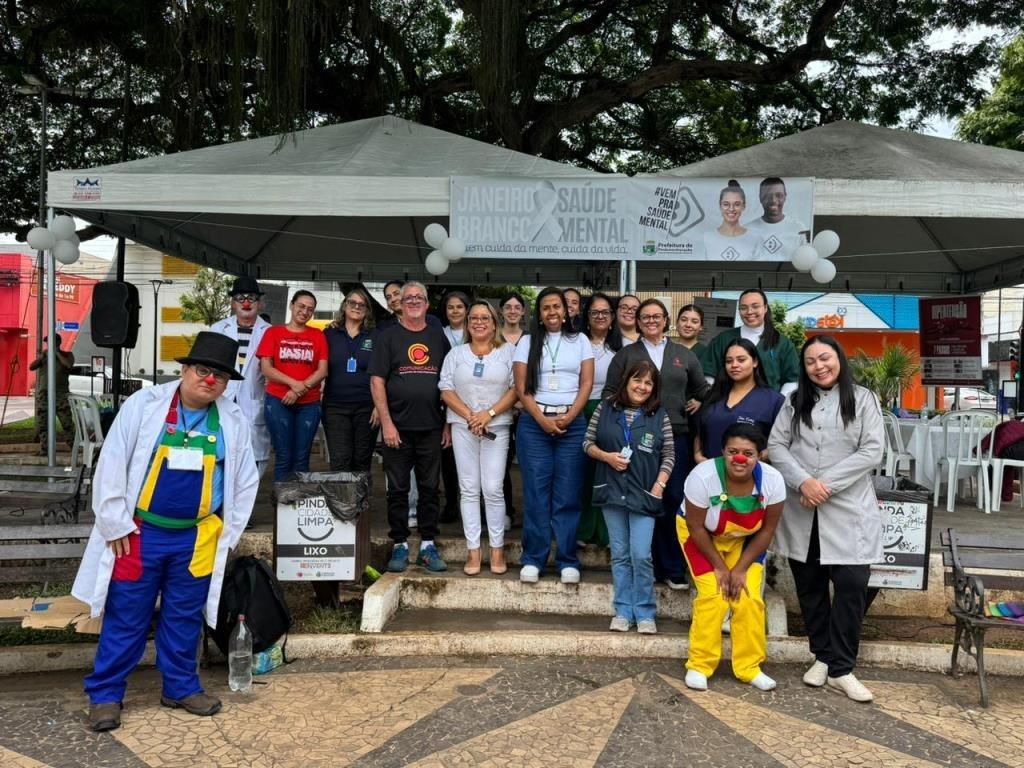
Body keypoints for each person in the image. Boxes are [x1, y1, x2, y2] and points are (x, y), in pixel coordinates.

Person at [73, 332, 259, 732]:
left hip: (196, 538)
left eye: (220, 377)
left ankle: (180, 686)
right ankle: (105, 695)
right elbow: (112, 463)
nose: (210, 381)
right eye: (204, 371)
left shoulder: (233, 419)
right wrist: (114, 522)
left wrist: (227, 533)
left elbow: (246, 482)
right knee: (126, 615)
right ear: (186, 369)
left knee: (184, 616)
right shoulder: (145, 405)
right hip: (138, 535)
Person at [768, 334, 885, 703]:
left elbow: (872, 451)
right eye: (811, 362)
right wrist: (804, 481)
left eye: (825, 358)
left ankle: (842, 667)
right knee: (811, 587)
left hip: (848, 508)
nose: (819, 366)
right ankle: (822, 656)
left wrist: (824, 485)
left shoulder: (863, 399)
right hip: (803, 509)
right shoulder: (794, 401)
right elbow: (776, 446)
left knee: (852, 584)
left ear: (839, 358)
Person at [604, 298, 707, 591]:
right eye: (645, 317)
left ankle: (672, 567)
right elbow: (611, 393)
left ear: (666, 321)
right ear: (637, 321)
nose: (651, 321)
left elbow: (703, 389)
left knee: (673, 499)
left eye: (657, 316)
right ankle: (644, 565)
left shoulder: (682, 355)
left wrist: (698, 400)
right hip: (634, 440)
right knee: (640, 501)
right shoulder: (626, 355)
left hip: (677, 435)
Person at [680, 423, 785, 691]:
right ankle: (699, 665)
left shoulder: (773, 481)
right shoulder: (702, 477)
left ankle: (749, 667)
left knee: (748, 597)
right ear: (723, 452)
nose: (740, 459)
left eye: (748, 453)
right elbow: (695, 526)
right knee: (714, 596)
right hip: (700, 537)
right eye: (733, 451)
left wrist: (739, 569)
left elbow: (768, 530)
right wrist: (718, 566)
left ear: (759, 455)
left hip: (745, 541)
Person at [584, 360, 674, 634]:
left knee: (641, 555)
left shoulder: (660, 414)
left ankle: (645, 613)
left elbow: (669, 454)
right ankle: (623, 610)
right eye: (638, 380)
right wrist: (606, 457)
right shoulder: (605, 407)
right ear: (626, 381)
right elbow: (587, 443)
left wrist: (659, 485)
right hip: (612, 492)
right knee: (620, 555)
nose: (642, 387)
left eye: (648, 383)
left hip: (644, 494)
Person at [513, 286, 594, 584]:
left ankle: (567, 559)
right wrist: (542, 420)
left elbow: (586, 383)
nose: (552, 312)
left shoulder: (581, 340)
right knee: (535, 493)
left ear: (567, 310)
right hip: (535, 425)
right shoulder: (527, 341)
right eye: (545, 307)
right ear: (539, 313)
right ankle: (533, 558)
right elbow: (521, 388)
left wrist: (571, 416)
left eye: (556, 306)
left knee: (568, 494)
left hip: (572, 424)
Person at [370, 281, 451, 573]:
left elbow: (449, 382)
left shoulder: (438, 336)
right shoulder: (388, 338)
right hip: (397, 429)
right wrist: (387, 424)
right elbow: (377, 381)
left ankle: (428, 544)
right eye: (408, 298)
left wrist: (447, 424)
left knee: (430, 488)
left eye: (419, 297)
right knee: (398, 490)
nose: (414, 301)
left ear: (427, 304)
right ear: (400, 305)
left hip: (431, 427)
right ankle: (400, 544)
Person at [439, 300, 518, 575]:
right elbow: (445, 389)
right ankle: (473, 550)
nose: (479, 322)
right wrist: (471, 415)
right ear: (468, 323)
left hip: (498, 426)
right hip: (463, 427)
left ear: (494, 323)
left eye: (485, 318)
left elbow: (516, 388)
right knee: (469, 488)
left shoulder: (508, 352)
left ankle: (497, 548)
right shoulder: (456, 354)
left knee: (493, 488)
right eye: (474, 318)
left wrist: (490, 413)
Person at [256, 290, 329, 482]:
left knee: (302, 458)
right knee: (283, 457)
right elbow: (266, 367)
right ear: (292, 305)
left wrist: (300, 389)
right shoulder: (273, 332)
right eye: (301, 306)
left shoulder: (318, 335)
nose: (305, 312)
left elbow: (323, 371)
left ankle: (298, 508)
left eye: (310, 309)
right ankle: (281, 508)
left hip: (309, 404)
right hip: (278, 401)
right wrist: (294, 385)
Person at [210, 277, 272, 476]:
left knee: (253, 465)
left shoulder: (270, 332)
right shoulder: (218, 329)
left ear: (259, 303)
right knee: (220, 458)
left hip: (254, 404)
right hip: (222, 401)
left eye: (251, 298)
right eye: (240, 298)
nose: (246, 303)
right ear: (233, 303)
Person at [578, 292, 622, 547]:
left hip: (610, 411)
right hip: (580, 409)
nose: (600, 317)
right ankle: (583, 531)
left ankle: (605, 533)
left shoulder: (622, 347)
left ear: (612, 317)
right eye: (595, 312)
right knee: (583, 475)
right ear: (587, 317)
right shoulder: (577, 343)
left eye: (605, 312)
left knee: (606, 474)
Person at [694, 338, 783, 463]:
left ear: (755, 362)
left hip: (749, 475)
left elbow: (783, 441)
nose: (734, 365)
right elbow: (700, 430)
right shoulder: (714, 395)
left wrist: (756, 458)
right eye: (729, 361)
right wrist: (697, 454)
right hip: (710, 472)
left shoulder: (773, 400)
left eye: (741, 360)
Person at [701, 288, 800, 395]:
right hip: (728, 406)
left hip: (770, 408)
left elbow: (792, 379)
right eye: (743, 308)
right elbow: (709, 373)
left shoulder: (782, 343)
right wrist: (713, 399)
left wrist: (779, 404)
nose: (749, 312)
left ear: (765, 308)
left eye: (755, 306)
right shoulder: (723, 339)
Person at [322, 288, 379, 472]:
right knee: (340, 461)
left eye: (362, 305)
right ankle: (342, 502)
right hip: (335, 407)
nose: (356, 307)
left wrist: (379, 406)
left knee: (361, 461)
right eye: (352, 303)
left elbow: (382, 373)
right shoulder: (329, 334)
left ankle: (360, 502)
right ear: (344, 306)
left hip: (367, 407)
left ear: (367, 310)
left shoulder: (376, 336)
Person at [440, 290, 471, 522]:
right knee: (448, 458)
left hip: (474, 400)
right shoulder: (438, 334)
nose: (455, 311)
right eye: (451, 307)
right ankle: (452, 504)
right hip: (446, 398)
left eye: (459, 307)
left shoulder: (477, 331)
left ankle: (475, 506)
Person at [745, 177, 810, 260]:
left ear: (785, 197)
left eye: (779, 195)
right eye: (767, 196)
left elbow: (805, 262)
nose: (773, 200)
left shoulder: (799, 229)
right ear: (760, 198)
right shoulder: (746, 230)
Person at [30, 333, 74, 452]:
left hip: (60, 394)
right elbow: (31, 367)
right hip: (44, 394)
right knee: (43, 423)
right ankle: (45, 448)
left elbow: (68, 365)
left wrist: (57, 354)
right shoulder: (44, 356)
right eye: (48, 342)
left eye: (52, 342)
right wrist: (42, 357)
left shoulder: (67, 355)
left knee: (67, 423)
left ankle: (73, 447)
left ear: (58, 343)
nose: (49, 345)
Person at [702, 180, 764, 262]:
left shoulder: (756, 238)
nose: (731, 209)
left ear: (744, 206)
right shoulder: (706, 238)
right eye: (726, 204)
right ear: (720, 206)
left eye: (737, 204)